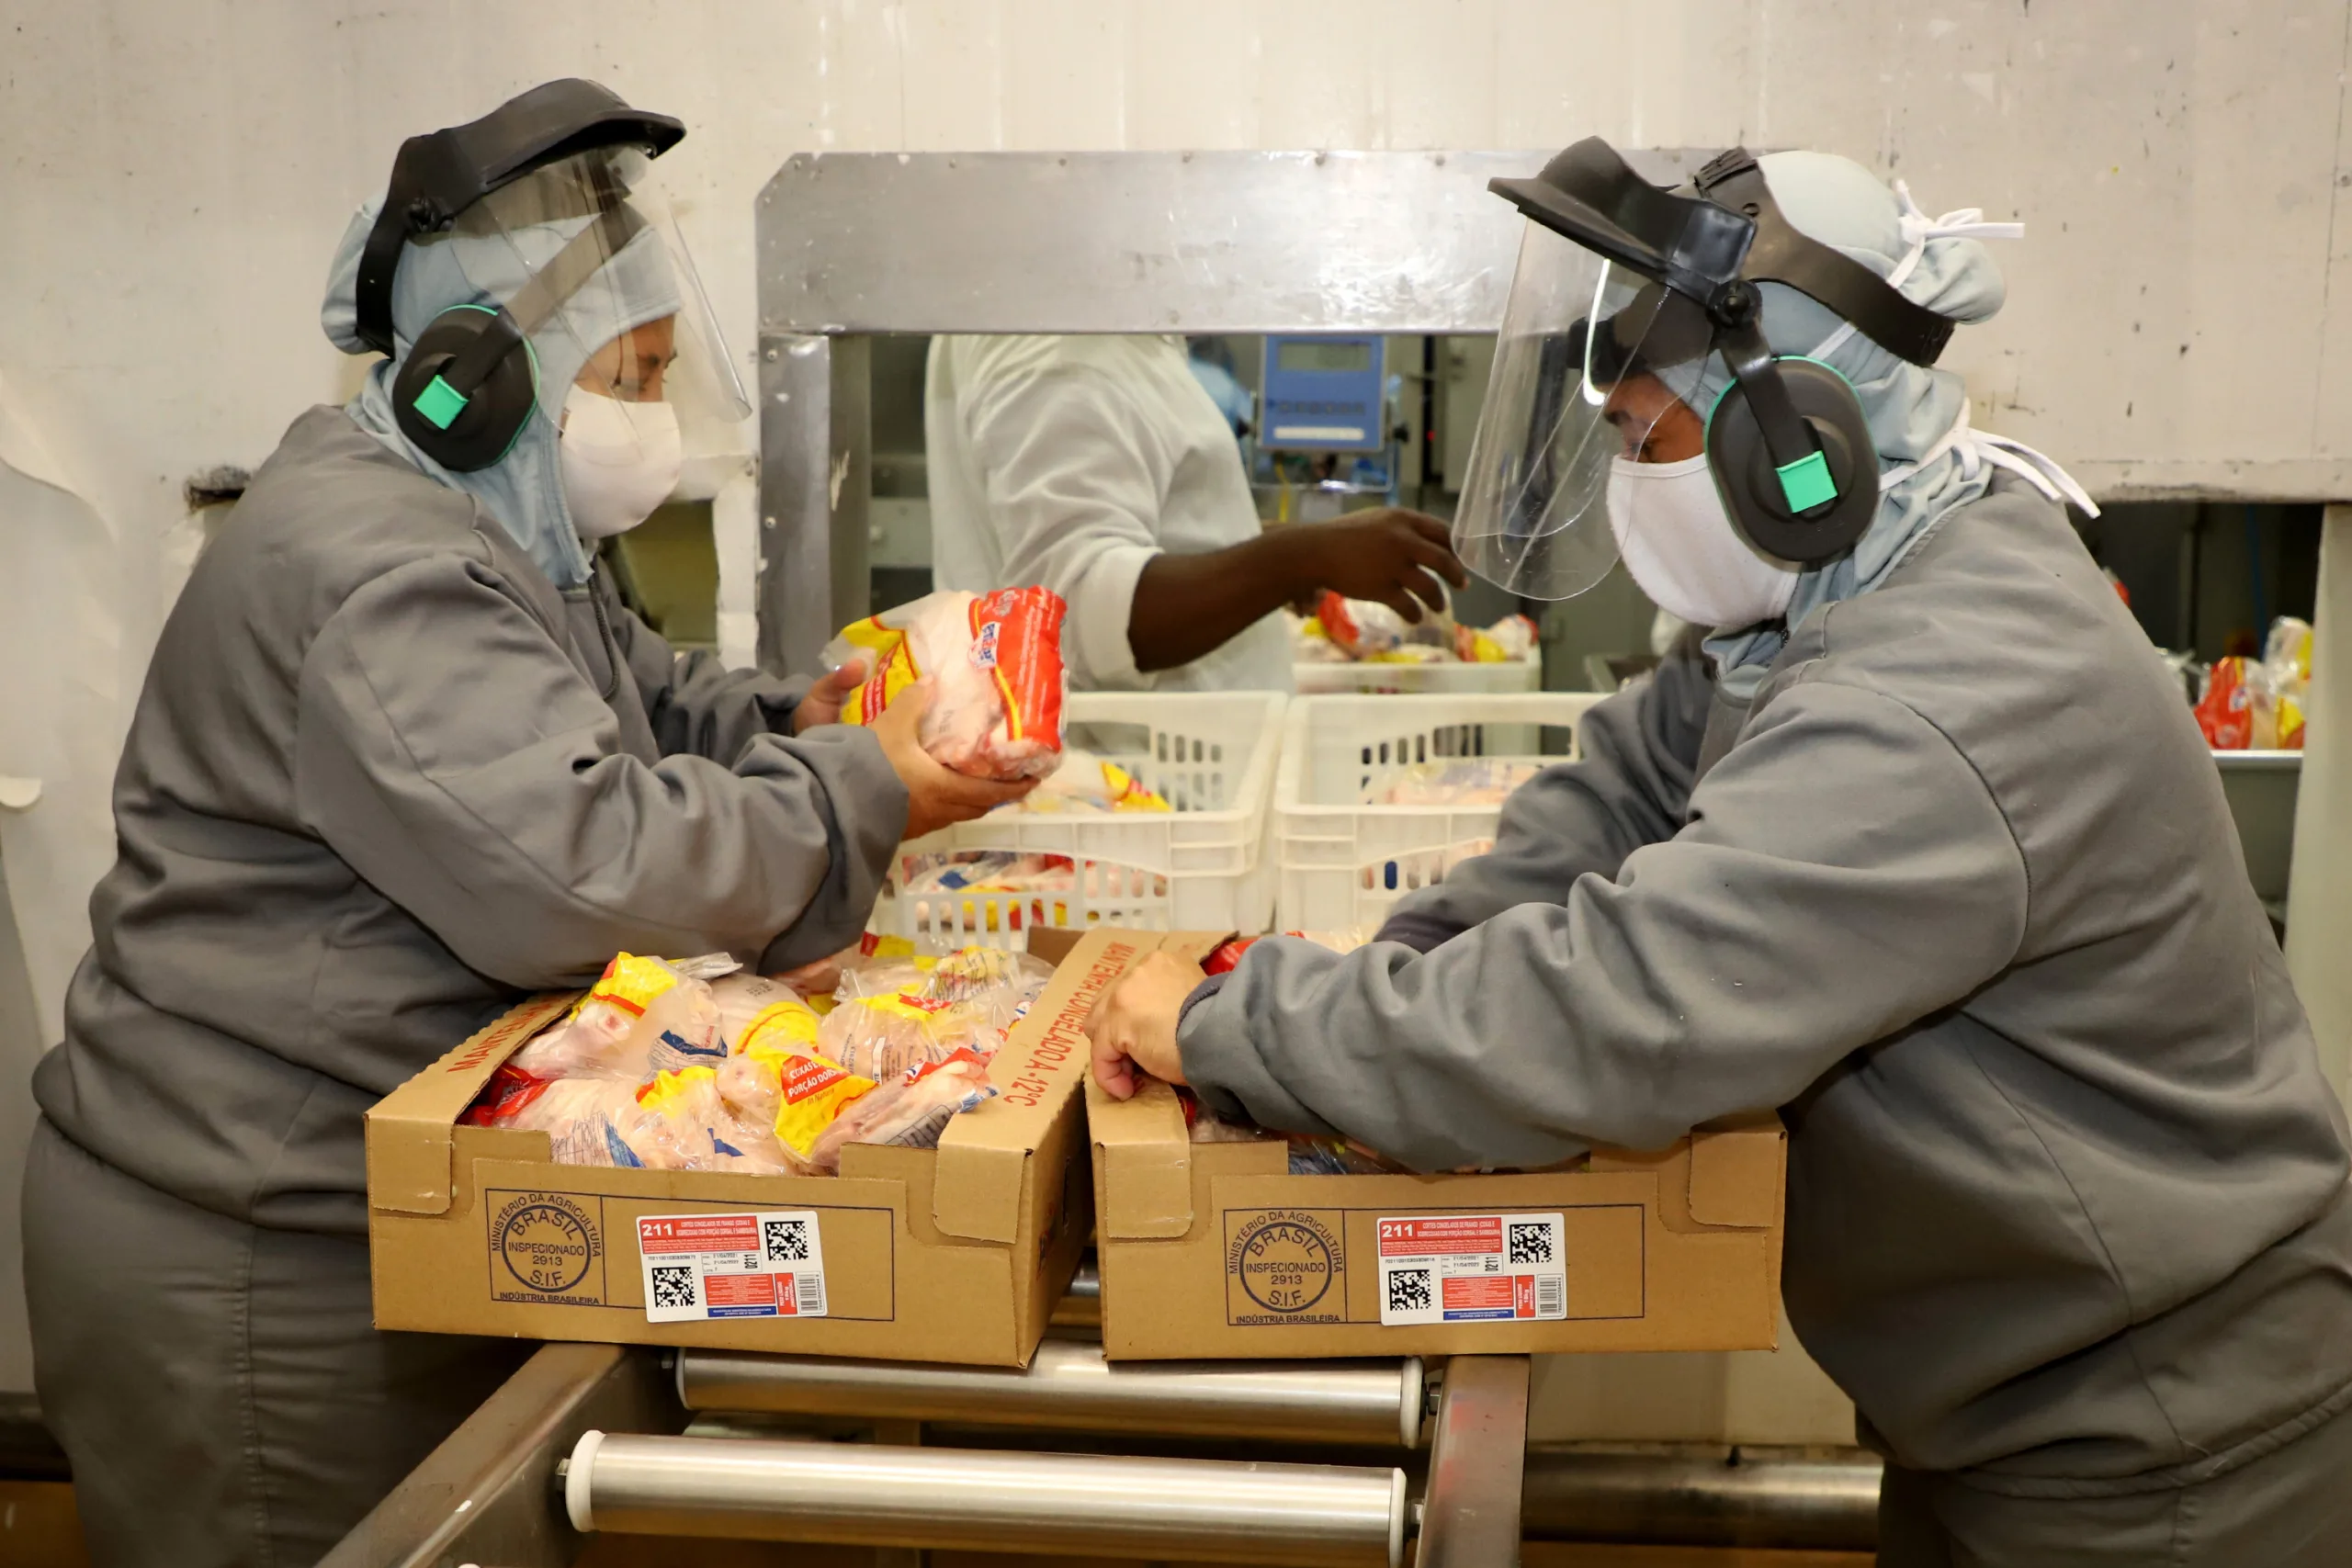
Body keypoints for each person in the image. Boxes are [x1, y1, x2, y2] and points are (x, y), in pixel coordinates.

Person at [1090, 145, 2352, 1565]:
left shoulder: (1933, 699)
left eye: (1645, 442)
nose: (1626, 487)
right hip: (2020, 1402)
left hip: (2163, 1451)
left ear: (1791, 442)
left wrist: (1227, 1018)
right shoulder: (1841, 595)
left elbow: (1618, 1011)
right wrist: (1400, 969)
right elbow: (1618, 792)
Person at [22, 82, 1025, 1567]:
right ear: (472, 376)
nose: (654, 422)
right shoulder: (375, 570)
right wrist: (863, 792)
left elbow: (649, 703)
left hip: (363, 1212)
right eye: (631, 375)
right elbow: (587, 863)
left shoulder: (494, 532)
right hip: (250, 1259)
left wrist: (819, 720)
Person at [925, 333, 1467, 692]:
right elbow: (1085, 616)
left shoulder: (1093, 328)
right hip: (1146, 809)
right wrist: (1297, 559)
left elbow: (1100, 529)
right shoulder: (1059, 342)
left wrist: (1257, 551)